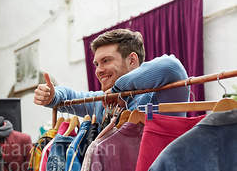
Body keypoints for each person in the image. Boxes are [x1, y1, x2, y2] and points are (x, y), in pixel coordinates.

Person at [34, 28, 190, 120]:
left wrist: (117, 91)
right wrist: (52, 96)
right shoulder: (103, 103)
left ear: (132, 60)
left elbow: (171, 66)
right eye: (96, 64)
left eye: (106, 61)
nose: (98, 70)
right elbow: (71, 96)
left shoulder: (160, 96)